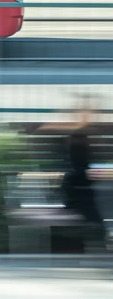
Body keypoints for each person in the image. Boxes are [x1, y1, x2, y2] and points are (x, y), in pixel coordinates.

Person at [58, 101, 107, 251]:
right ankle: (98, 245)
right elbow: (78, 166)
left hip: (80, 186)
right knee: (94, 211)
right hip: (78, 187)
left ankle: (95, 244)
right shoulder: (79, 136)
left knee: (96, 209)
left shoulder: (83, 135)